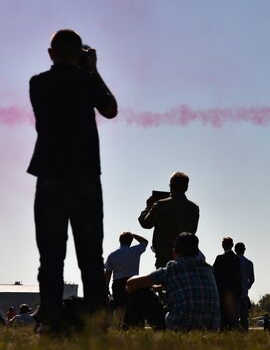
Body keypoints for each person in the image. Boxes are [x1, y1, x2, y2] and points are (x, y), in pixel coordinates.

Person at [28, 29, 118, 330]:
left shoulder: (38, 84)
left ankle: (51, 318)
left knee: (51, 255)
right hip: (85, 176)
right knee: (90, 254)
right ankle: (96, 321)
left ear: (51, 53)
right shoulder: (87, 80)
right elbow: (110, 109)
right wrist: (92, 69)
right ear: (80, 53)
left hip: (49, 175)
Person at [126, 233, 220, 331]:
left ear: (174, 252)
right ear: (197, 253)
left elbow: (130, 284)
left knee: (139, 293)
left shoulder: (171, 270)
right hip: (211, 328)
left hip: (179, 325)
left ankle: (132, 332)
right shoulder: (208, 270)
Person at [138, 172, 200, 268]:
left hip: (163, 257)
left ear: (170, 186)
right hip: (185, 256)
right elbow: (193, 231)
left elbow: (146, 224)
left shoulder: (160, 205)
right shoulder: (194, 208)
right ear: (186, 187)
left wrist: (148, 207)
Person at [104, 232, 148, 311]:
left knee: (120, 308)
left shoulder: (112, 255)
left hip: (118, 284)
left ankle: (120, 322)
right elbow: (145, 242)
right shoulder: (135, 251)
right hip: (133, 282)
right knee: (133, 307)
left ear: (119, 240)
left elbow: (108, 273)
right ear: (131, 241)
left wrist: (106, 286)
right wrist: (133, 235)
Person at [213, 237, 242, 330]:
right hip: (234, 292)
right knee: (233, 317)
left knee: (222, 318)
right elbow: (239, 276)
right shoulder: (237, 259)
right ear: (232, 245)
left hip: (221, 292)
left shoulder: (220, 258)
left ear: (223, 246)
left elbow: (214, 274)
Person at [234, 242, 255, 331]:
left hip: (234, 293)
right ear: (244, 250)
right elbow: (252, 279)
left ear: (235, 250)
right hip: (244, 293)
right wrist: (247, 286)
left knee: (234, 317)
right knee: (244, 318)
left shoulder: (233, 261)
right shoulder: (249, 263)